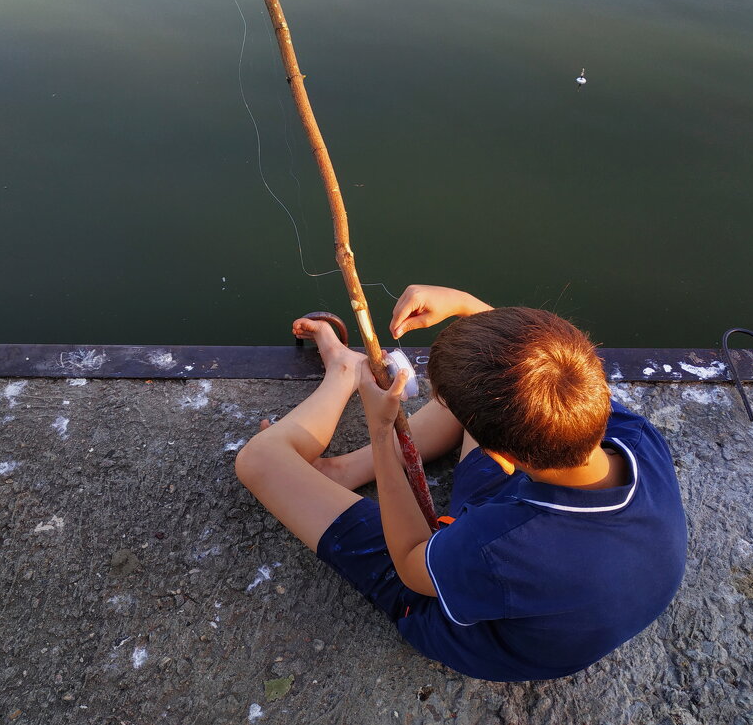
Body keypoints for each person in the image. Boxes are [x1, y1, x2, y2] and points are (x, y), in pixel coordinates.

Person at [234, 284, 687, 682]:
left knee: (260, 460)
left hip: (468, 619)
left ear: (501, 458)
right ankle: (342, 472)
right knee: (489, 388)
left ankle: (344, 372)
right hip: (541, 539)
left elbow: (413, 564)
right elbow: (527, 381)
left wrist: (380, 429)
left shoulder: (501, 546)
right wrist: (467, 306)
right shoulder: (633, 437)